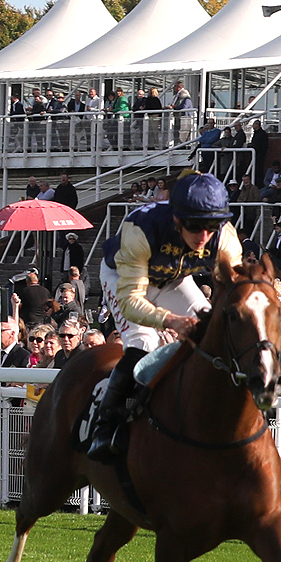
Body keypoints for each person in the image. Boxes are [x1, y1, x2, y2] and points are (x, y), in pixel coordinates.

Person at [80, 170, 236, 462]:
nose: (203, 237)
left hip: (174, 279)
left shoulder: (224, 237)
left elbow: (234, 290)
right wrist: (172, 321)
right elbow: (130, 302)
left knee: (214, 328)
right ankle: (106, 423)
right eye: (194, 226)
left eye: (212, 226)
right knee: (143, 344)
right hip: (123, 279)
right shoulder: (141, 228)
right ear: (177, 219)